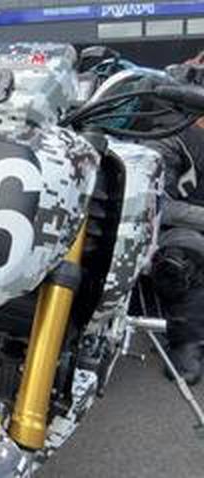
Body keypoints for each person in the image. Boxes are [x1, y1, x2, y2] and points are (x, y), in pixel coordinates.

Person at [149, 50, 204, 385]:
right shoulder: (168, 136)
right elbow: (158, 203)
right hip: (172, 229)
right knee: (186, 253)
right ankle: (186, 343)